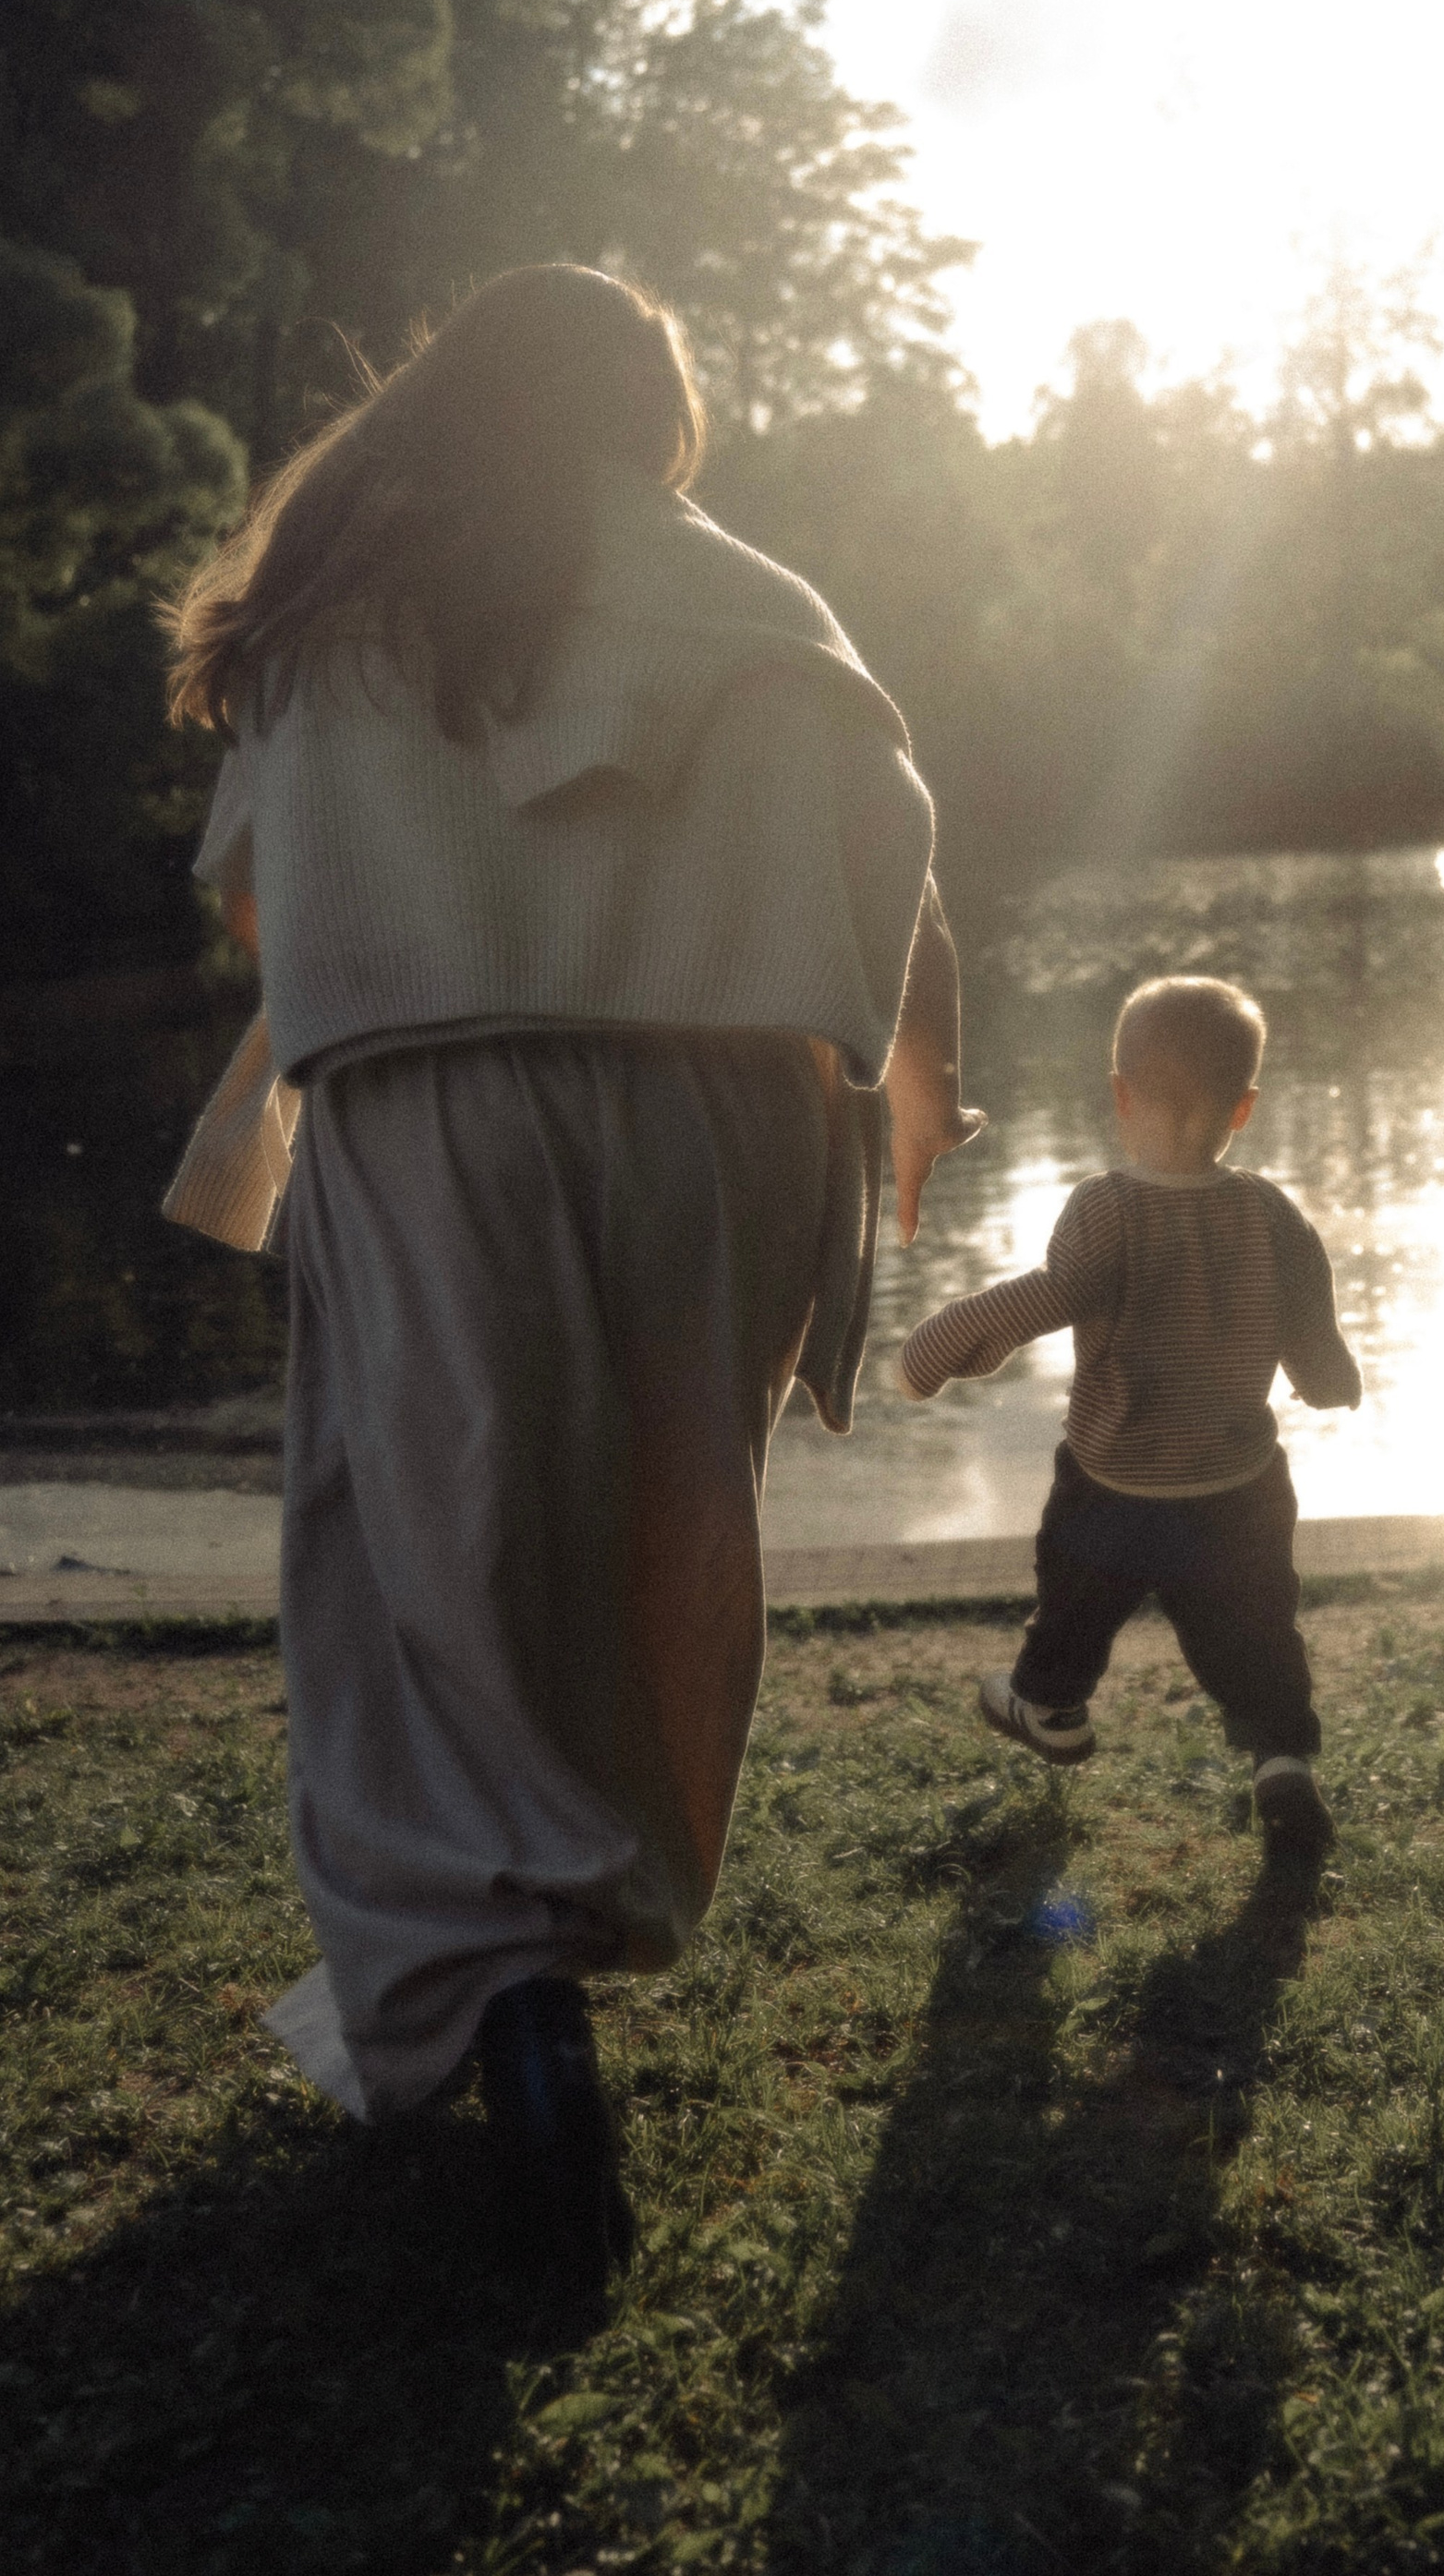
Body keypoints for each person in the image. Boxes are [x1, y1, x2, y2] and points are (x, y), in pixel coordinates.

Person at [159, 263, 979, 2292]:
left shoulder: (331, 612)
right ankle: (561, 1921)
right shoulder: (743, 599)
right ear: (641, 418)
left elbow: (258, 906)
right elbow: (891, 862)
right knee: (652, 1527)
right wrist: (916, 1092)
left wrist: (435, 886)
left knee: (425, 1565)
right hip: (707, 1119)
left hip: (431, 1114)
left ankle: (507, 1995)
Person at [897, 975, 1359, 1852]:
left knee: (1075, 1601)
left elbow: (1045, 1296)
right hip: (1238, 1485)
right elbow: (1310, 1320)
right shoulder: (1269, 1212)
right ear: (1244, 1106)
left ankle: (1050, 1705)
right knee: (1257, 1628)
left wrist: (936, 1350)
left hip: (1114, 1486)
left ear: (1119, 1094)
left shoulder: (1104, 1207)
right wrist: (1330, 1378)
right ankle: (1281, 1758)